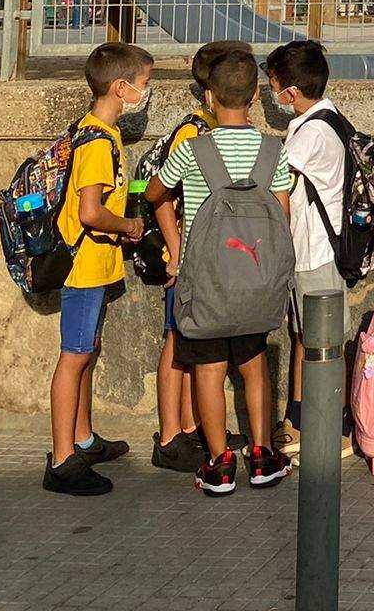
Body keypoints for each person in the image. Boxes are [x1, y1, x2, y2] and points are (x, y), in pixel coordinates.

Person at [146, 48, 294, 496]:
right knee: (254, 366)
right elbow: (281, 218)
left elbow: (156, 193)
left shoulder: (193, 150)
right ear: (253, 98)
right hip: (255, 281)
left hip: (205, 280)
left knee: (208, 369)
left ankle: (218, 463)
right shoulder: (273, 151)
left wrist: (176, 247)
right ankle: (263, 453)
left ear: (208, 97)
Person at [44, 40, 154, 496]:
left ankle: (84, 438)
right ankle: (62, 459)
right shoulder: (97, 142)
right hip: (83, 266)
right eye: (144, 85)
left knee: (88, 348)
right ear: (121, 87)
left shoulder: (97, 132)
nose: (146, 93)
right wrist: (129, 224)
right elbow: (90, 212)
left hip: (98, 264)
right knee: (74, 356)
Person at [147, 39, 247, 472]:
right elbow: (162, 195)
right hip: (189, 259)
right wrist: (175, 251)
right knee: (176, 340)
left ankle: (194, 426)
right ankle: (171, 434)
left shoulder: (212, 128)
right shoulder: (193, 132)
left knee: (192, 346)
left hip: (206, 258)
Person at [267, 38, 346, 459]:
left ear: (290, 92)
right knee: (304, 337)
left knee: (321, 343)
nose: (272, 96)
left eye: (274, 87)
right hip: (309, 253)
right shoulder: (325, 119)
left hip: (315, 252)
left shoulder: (311, 133)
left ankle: (328, 424)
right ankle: (297, 419)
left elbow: (275, 177)